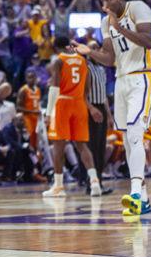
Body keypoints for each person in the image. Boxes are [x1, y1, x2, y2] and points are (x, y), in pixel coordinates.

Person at [73, 0, 151, 216]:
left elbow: (147, 41)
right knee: (128, 140)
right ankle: (144, 200)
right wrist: (90, 52)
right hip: (121, 81)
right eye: (103, 1)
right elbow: (109, 58)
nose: (106, 4)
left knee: (134, 133)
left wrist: (119, 27)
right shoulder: (104, 23)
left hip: (143, 76)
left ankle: (136, 196)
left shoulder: (138, 8)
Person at [43, 36, 103, 198]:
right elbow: (87, 87)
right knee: (82, 146)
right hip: (79, 104)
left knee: (58, 147)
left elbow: (54, 89)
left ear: (56, 48)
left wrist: (48, 113)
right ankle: (95, 182)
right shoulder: (82, 60)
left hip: (63, 103)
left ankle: (58, 186)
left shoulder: (58, 61)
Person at [85, 41, 114, 195]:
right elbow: (83, 94)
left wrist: (109, 116)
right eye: (93, 48)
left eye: (97, 47)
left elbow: (104, 97)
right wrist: (91, 109)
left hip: (101, 108)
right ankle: (91, 183)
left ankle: (99, 183)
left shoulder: (102, 69)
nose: (96, 50)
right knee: (92, 147)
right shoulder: (86, 67)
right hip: (91, 108)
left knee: (101, 148)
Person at [16, 69, 41, 150]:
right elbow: (18, 107)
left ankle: (36, 160)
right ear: (26, 79)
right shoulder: (23, 90)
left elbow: (37, 104)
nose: (32, 79)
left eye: (33, 77)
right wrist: (32, 111)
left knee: (36, 139)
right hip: (27, 118)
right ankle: (27, 159)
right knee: (28, 139)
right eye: (30, 78)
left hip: (36, 118)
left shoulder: (38, 90)